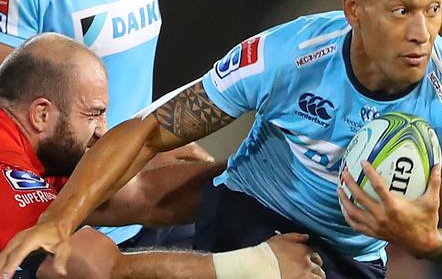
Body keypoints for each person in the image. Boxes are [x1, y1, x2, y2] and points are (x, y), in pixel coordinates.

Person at [0, 0, 442, 279]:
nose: (421, 32)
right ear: (354, 9)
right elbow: (152, 128)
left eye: (433, 9)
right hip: (246, 212)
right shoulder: (288, 54)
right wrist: (59, 223)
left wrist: (433, 242)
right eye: (401, 9)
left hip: (348, 257)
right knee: (139, 200)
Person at [0, 34, 325, 279]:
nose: (102, 131)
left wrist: (272, 180)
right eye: (92, 114)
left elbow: (140, 194)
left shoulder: (40, 151)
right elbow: (88, 266)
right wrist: (256, 266)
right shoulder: (7, 174)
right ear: (41, 114)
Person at [0, 0, 211, 247]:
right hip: (78, 224)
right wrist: (128, 155)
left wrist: (148, 141)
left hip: (137, 187)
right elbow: (11, 117)